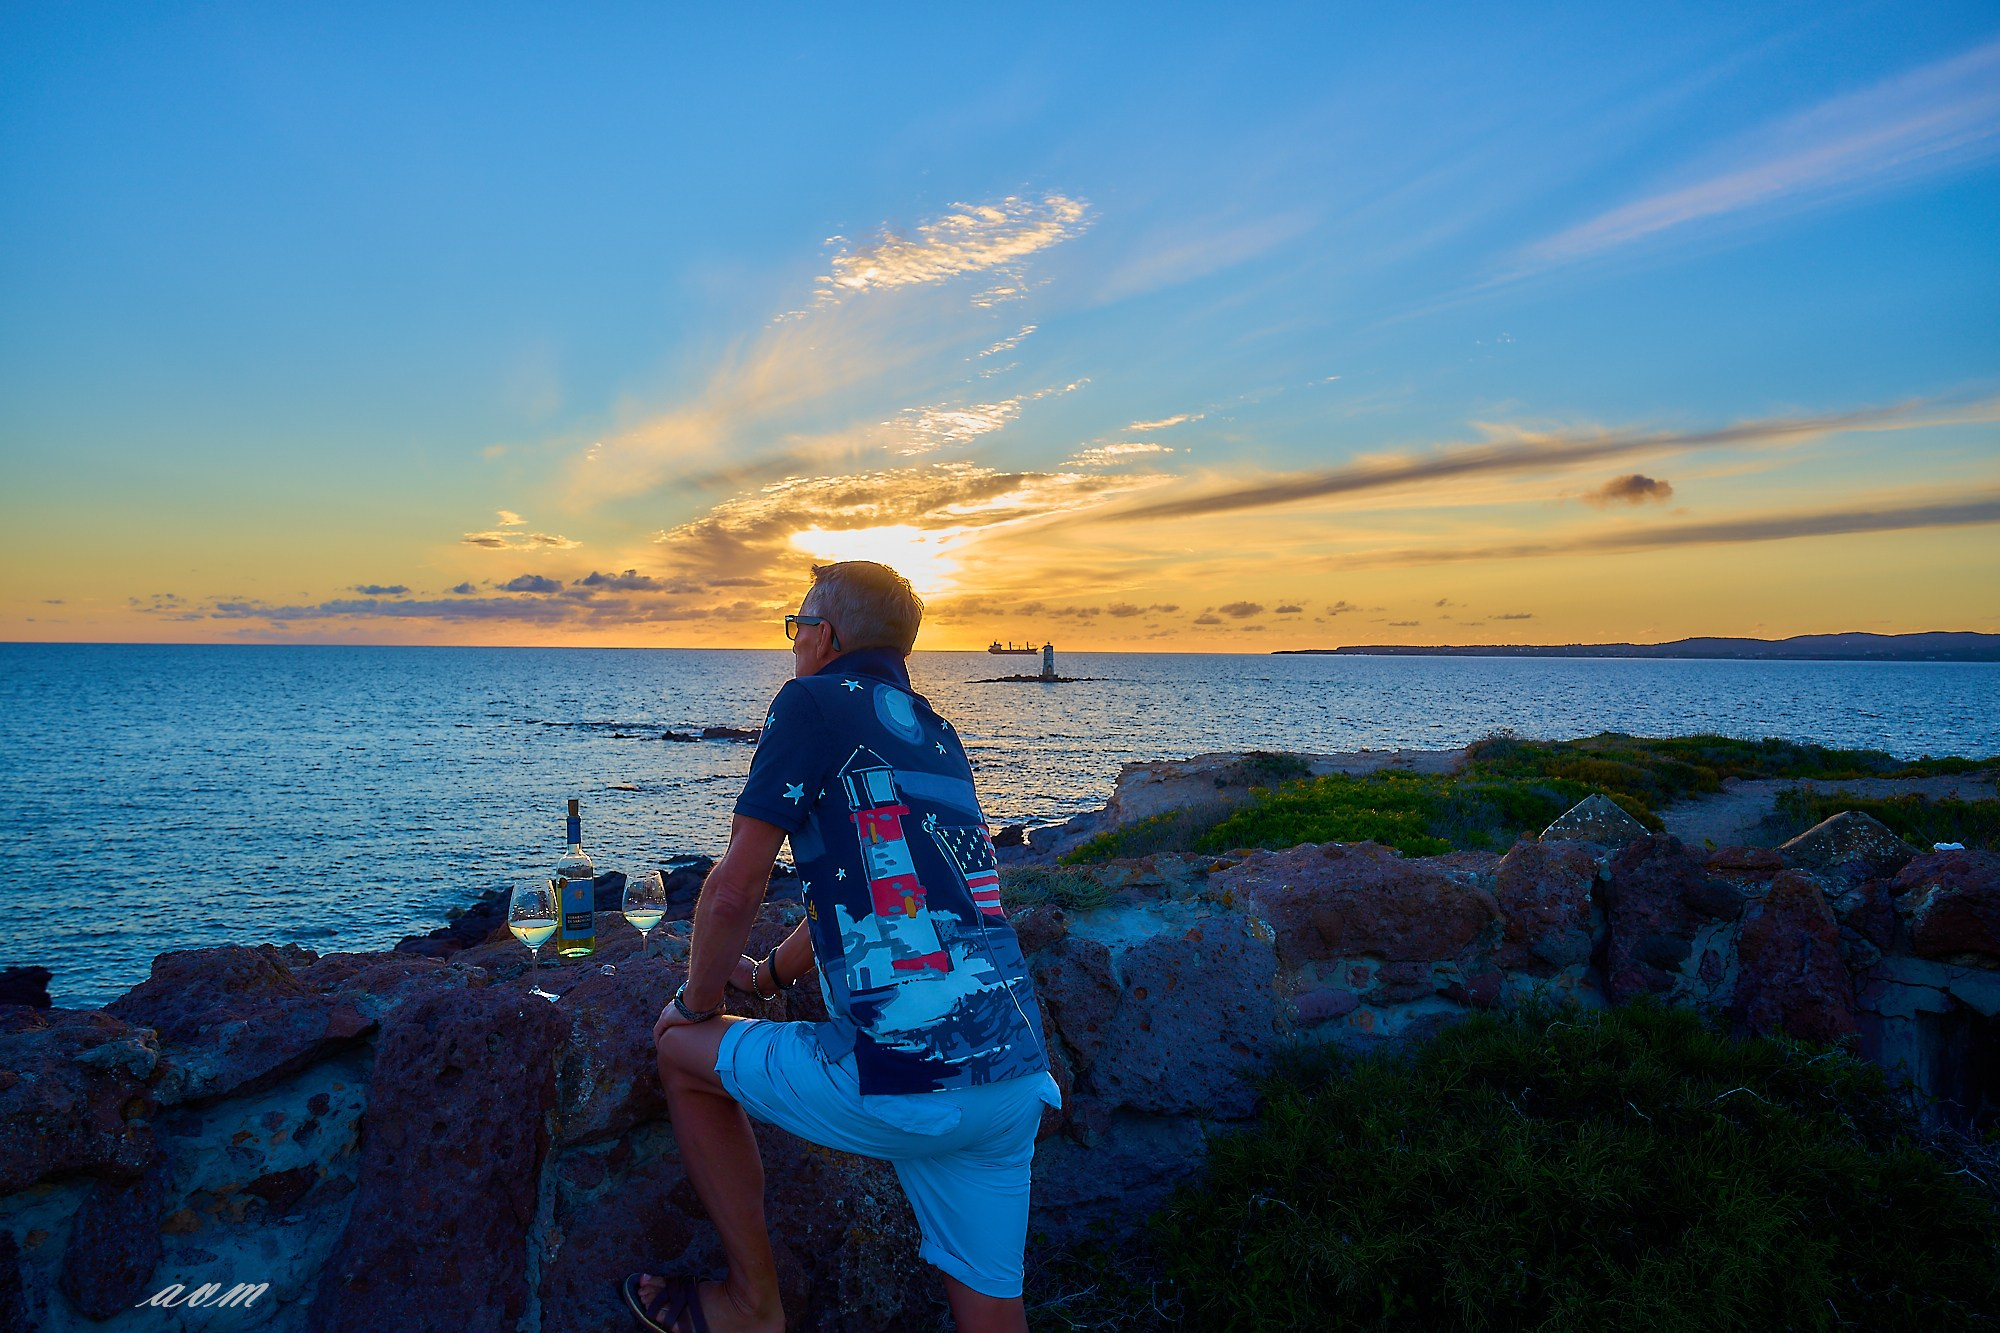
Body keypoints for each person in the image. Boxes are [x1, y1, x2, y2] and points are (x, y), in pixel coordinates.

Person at [629, 560, 1060, 1333]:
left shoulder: (810, 702)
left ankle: (751, 1305)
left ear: (823, 636)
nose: (793, 645)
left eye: (796, 628)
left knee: (678, 1054)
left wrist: (696, 1003)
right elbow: (892, 893)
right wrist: (764, 977)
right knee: (993, 1315)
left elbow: (734, 887)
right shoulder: (935, 728)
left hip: (901, 1078)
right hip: (1010, 1075)